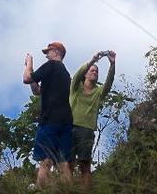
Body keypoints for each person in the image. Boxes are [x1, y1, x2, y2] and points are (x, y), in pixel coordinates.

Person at [23, 41, 73, 187]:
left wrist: (28, 64)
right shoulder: (65, 74)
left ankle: (40, 190)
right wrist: (33, 76)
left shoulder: (51, 65)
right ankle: (70, 191)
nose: (46, 56)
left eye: (48, 52)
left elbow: (26, 79)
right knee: (64, 163)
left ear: (56, 52)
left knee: (45, 161)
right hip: (66, 123)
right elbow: (37, 91)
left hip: (50, 121)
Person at [70, 49, 116, 189]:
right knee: (68, 164)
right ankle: (66, 190)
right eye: (92, 70)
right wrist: (93, 60)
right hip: (69, 127)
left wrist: (112, 64)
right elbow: (78, 73)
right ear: (85, 74)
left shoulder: (98, 91)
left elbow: (108, 83)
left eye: (96, 71)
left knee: (84, 165)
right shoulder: (75, 87)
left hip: (87, 130)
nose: (95, 72)